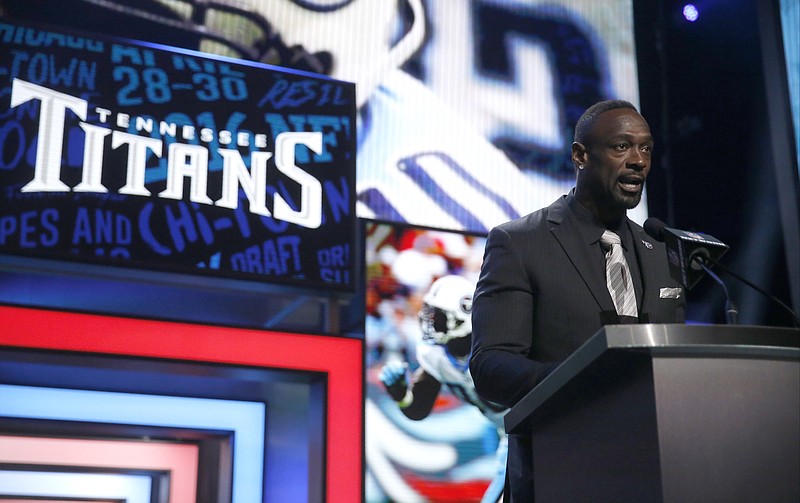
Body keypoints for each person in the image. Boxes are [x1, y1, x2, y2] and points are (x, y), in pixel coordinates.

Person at [469, 99, 686, 502]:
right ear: (580, 156)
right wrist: (582, 385)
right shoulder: (519, 242)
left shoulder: (661, 253)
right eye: (622, 147)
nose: (638, 161)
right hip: (560, 469)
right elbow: (490, 364)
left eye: (646, 149)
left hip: (656, 473)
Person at [380, 274, 508, 503]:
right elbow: (418, 409)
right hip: (510, 431)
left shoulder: (494, 342)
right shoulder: (435, 355)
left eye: (436, 314)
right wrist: (400, 394)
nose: (428, 319)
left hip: (536, 420)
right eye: (428, 311)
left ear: (461, 316)